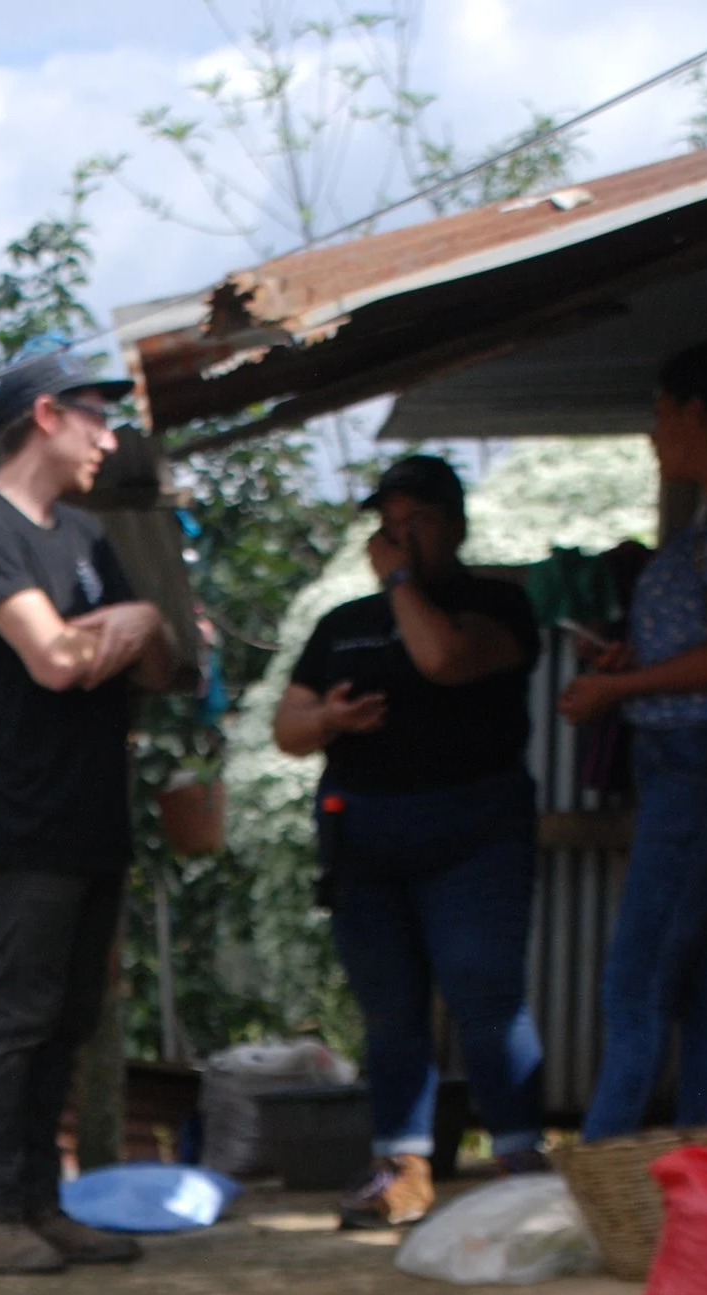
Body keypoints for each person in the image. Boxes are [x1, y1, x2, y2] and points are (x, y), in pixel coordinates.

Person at [0, 348, 182, 1274]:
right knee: (23, 1011)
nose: (108, 438)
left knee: (73, 1014)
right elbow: (52, 661)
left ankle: (43, 1204)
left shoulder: (83, 534)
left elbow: (155, 662)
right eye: (96, 416)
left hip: (96, 813)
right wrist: (129, 624)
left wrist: (137, 627)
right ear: (45, 415)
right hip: (32, 814)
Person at [273, 452, 546, 1229]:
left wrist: (400, 583)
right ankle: (402, 1166)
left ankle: (521, 1157)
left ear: (454, 525)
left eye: (416, 522)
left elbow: (443, 658)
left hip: (474, 835)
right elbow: (287, 727)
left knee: (484, 994)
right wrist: (329, 720)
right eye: (387, 525)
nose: (398, 538)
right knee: (390, 1011)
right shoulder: (343, 626)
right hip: (366, 840)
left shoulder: (496, 605)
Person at [559, 341, 707, 1140]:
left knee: (636, 979)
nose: (655, 433)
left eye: (662, 414)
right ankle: (701, 1166)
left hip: (705, 764)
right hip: (698, 763)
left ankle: (603, 1161)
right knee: (700, 981)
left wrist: (619, 689)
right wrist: (638, 662)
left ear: (698, 413)